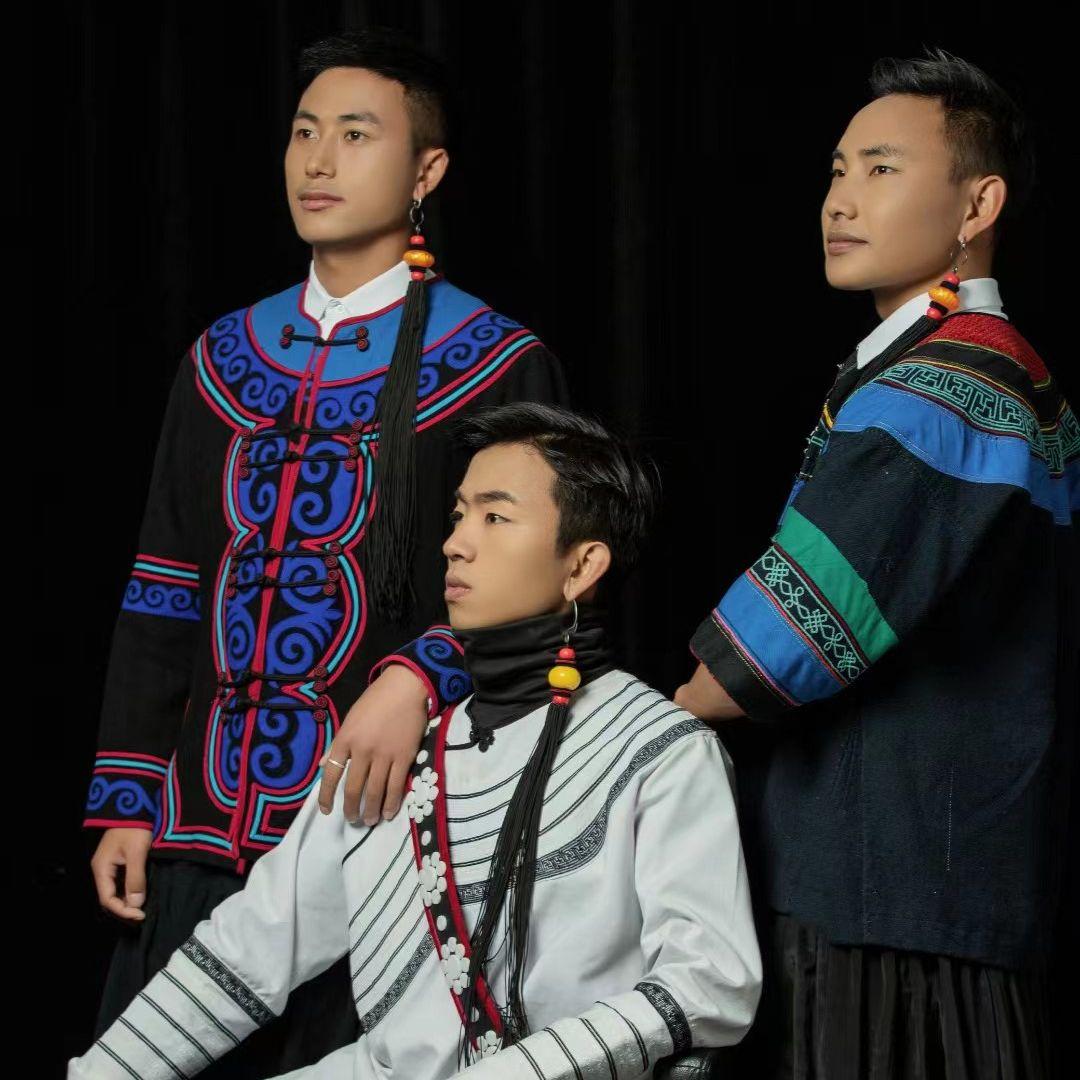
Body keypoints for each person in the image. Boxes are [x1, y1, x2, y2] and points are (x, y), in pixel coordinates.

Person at [85, 28, 567, 1075]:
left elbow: (539, 593)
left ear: (427, 171)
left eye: (356, 135)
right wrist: (129, 797)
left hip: (378, 831)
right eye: (305, 132)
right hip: (199, 831)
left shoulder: (495, 363)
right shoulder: (221, 357)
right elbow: (165, 586)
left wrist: (416, 676)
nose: (319, 159)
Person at [70, 403, 762, 1080]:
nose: (456, 542)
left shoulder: (661, 750)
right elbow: (247, 951)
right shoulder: (405, 749)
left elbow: (709, 983)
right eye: (459, 515)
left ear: (581, 567)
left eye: (495, 517)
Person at [674, 50, 1076, 1078]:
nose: (841, 200)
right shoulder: (958, 365)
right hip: (924, 868)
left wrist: (655, 720)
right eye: (838, 170)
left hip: (890, 886)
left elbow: (794, 631)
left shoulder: (952, 376)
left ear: (978, 203)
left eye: (883, 169)